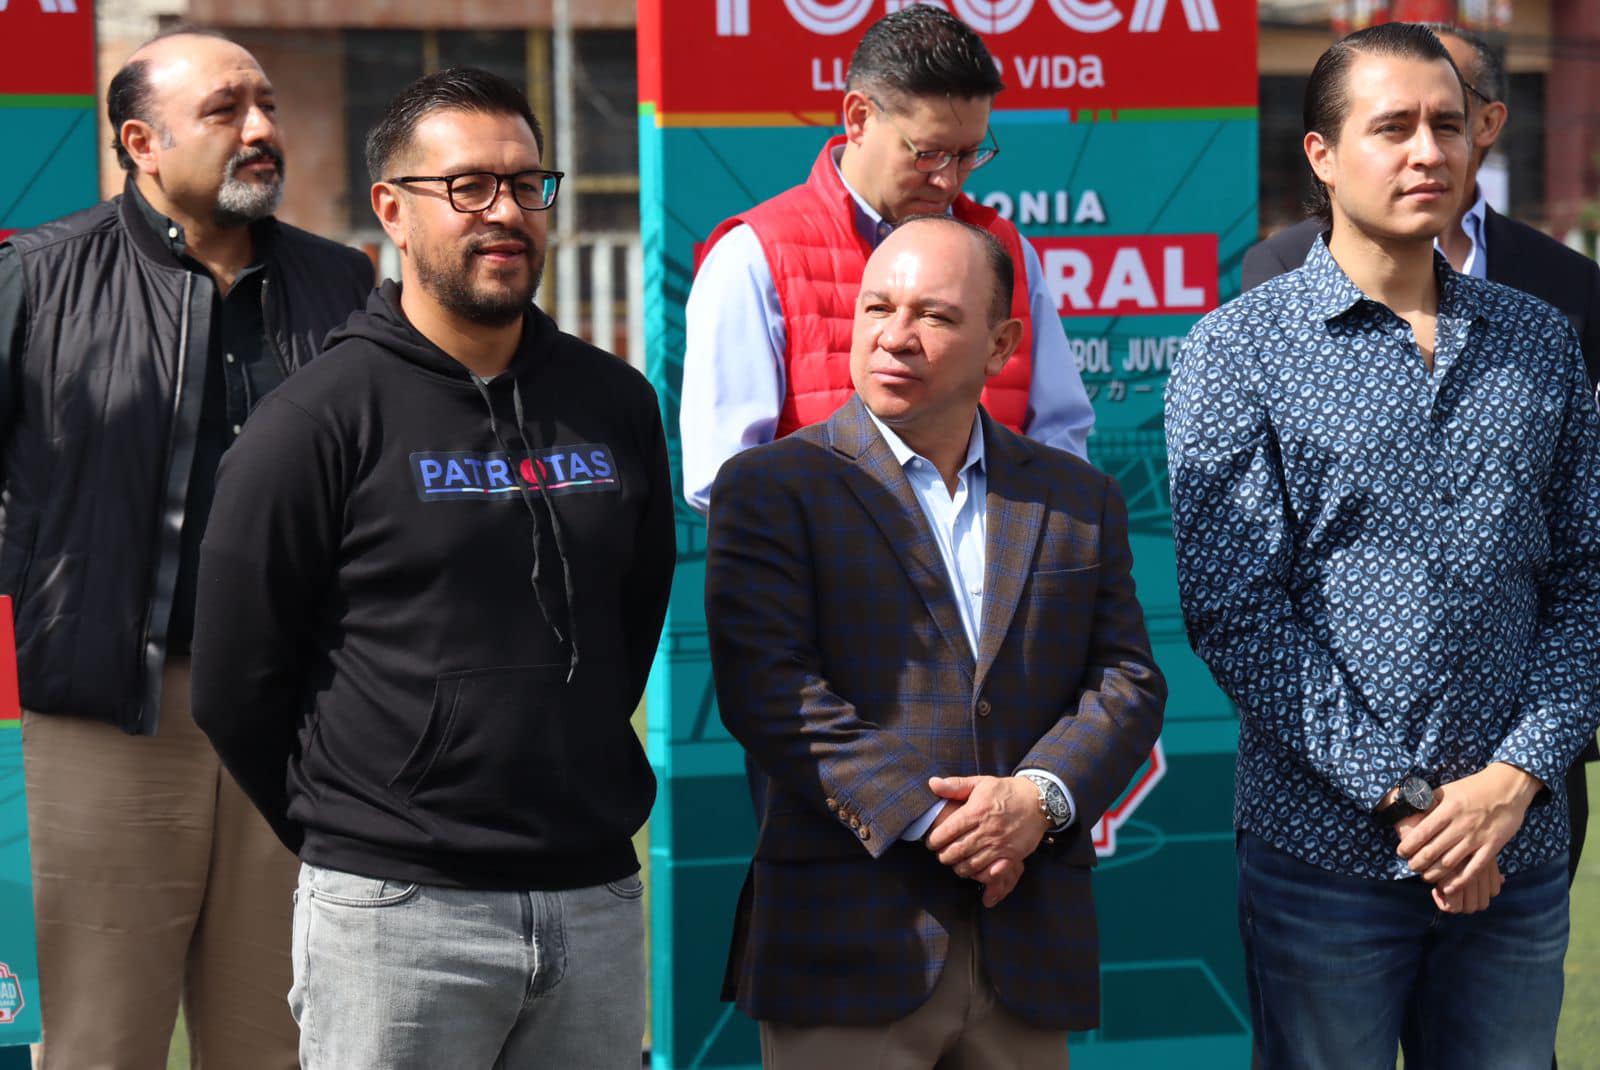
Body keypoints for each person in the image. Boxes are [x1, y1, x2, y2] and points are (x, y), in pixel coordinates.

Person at [188, 67, 674, 1070]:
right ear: (392, 212)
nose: (504, 212)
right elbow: (237, 682)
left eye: (526, 183)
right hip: (397, 916)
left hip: (592, 899)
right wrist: (367, 824)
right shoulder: (314, 419)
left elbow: (633, 616)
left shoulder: (613, 400)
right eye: (467, 187)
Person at [1168, 23, 1600, 1068]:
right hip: (1326, 862)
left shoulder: (1541, 341)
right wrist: (1414, 805)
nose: (1427, 152)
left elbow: (1588, 578)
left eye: (1448, 126)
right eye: (1393, 127)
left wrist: (1511, 780)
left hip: (1521, 847)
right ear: (1320, 154)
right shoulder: (1237, 350)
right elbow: (1237, 615)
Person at [705, 214, 1165, 1067]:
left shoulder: (1076, 497)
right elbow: (769, 690)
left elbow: (1127, 681)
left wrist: (1035, 800)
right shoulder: (773, 487)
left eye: (935, 316)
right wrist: (939, 819)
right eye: (878, 308)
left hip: (1027, 941)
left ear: (1002, 346)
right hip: (848, 942)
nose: (896, 336)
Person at [0, 28, 372, 1068]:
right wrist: (34, 588)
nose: (261, 129)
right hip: (102, 716)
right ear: (140, 141)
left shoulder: (344, 288)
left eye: (265, 105)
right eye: (225, 110)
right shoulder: (37, 277)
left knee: (281, 1040)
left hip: (297, 723)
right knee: (98, 1042)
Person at [679, 4, 1095, 515]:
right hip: (830, 583)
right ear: (858, 117)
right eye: (929, 153)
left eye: (967, 155)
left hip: (997, 583)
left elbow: (1061, 440)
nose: (948, 179)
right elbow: (724, 476)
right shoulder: (753, 257)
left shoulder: (1006, 251)